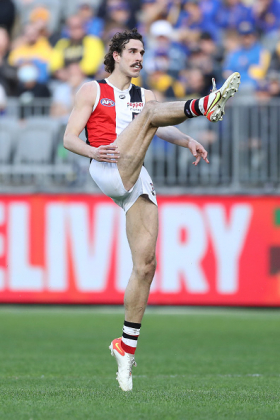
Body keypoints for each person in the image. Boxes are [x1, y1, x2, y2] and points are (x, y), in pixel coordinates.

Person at [63, 28, 240, 392]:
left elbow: (157, 127)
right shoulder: (92, 90)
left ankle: (125, 349)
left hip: (134, 174)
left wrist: (187, 139)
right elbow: (68, 138)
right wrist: (92, 151)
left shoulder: (146, 96)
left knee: (146, 265)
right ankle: (204, 105)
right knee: (151, 112)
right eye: (132, 50)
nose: (139, 57)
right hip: (107, 164)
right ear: (115, 54)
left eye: (142, 51)